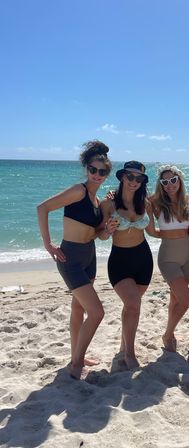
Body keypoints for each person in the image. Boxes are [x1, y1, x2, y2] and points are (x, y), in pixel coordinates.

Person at [37, 140, 112, 379]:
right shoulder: (79, 191)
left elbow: (98, 236)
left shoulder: (97, 201)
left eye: (103, 172)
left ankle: (75, 355)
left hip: (89, 256)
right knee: (97, 312)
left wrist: (107, 228)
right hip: (70, 258)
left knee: (78, 309)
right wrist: (48, 243)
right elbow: (43, 208)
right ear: (86, 168)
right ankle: (77, 363)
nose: (98, 175)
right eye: (94, 170)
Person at [100, 161, 156, 370]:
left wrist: (182, 236)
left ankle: (124, 344)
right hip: (119, 260)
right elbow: (102, 236)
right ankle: (129, 355)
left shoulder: (146, 204)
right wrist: (107, 229)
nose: (134, 181)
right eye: (130, 177)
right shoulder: (109, 204)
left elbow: (153, 232)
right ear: (122, 177)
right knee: (133, 304)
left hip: (143, 259)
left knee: (131, 305)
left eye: (138, 178)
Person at [148, 165, 189, 352]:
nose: (170, 185)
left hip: (188, 254)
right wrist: (170, 235)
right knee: (185, 299)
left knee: (176, 298)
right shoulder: (154, 202)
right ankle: (168, 333)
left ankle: (171, 332)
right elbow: (150, 231)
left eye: (173, 180)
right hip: (168, 256)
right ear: (161, 184)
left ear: (179, 180)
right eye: (165, 182)